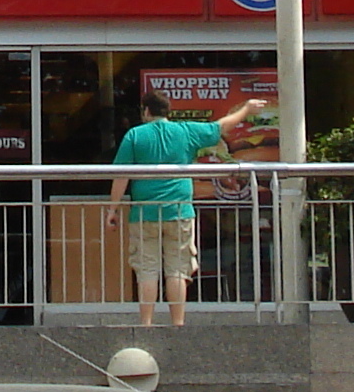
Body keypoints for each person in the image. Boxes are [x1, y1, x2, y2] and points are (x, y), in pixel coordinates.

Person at [101, 89, 259, 328]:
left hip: (144, 214)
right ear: (168, 111)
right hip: (179, 212)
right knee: (177, 270)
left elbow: (120, 175)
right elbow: (221, 126)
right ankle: (178, 324)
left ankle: (146, 324)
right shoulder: (185, 132)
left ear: (146, 111)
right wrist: (246, 109)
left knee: (147, 270)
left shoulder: (134, 136)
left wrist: (112, 210)